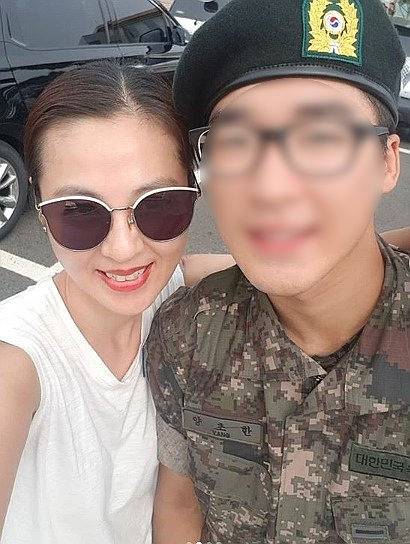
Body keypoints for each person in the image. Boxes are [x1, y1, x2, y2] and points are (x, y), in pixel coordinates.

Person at [146, 1, 410, 542]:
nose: (269, 188)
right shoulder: (186, 335)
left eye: (320, 139)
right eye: (235, 143)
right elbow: (179, 502)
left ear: (387, 161)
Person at [0, 61, 233, 543]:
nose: (124, 250)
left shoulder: (172, 289)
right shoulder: (16, 359)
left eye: (160, 205)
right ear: (41, 215)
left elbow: (330, 263)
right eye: (78, 213)